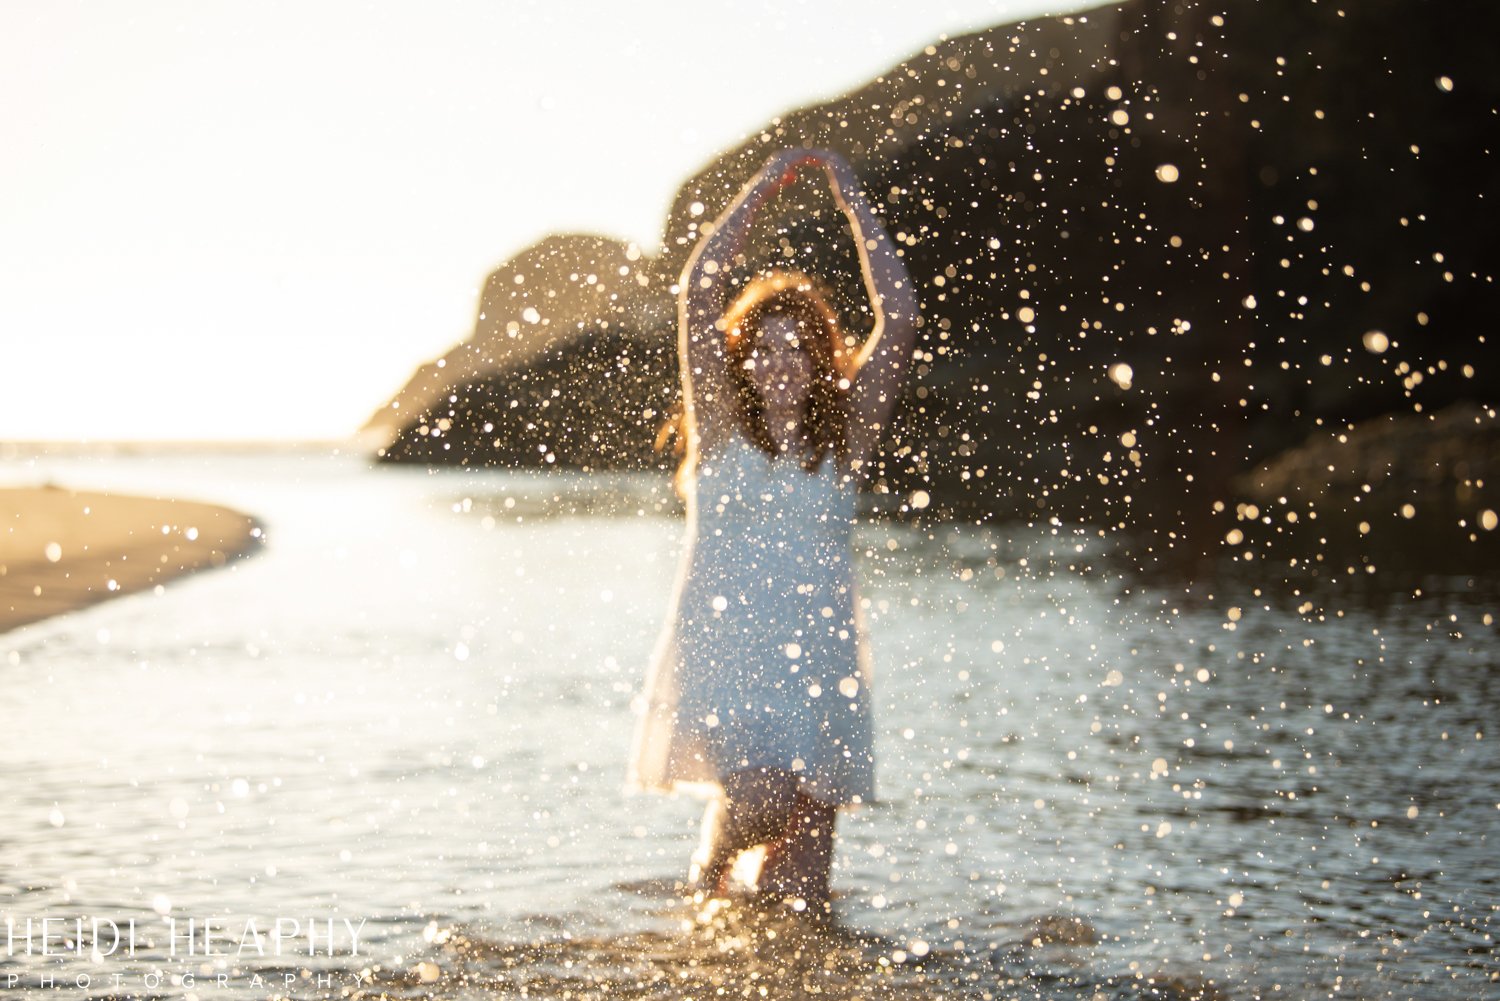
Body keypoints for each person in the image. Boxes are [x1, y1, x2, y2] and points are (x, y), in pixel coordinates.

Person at [627, 147, 918, 916]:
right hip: (731, 654)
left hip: (817, 659)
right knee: (758, 797)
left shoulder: (847, 436)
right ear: (742, 359)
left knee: (800, 906)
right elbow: (698, 293)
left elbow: (903, 316)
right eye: (764, 346)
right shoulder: (720, 430)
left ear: (825, 360)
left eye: (798, 346)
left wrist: (855, 204)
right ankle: (706, 873)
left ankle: (726, 933)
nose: (780, 360)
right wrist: (758, 192)